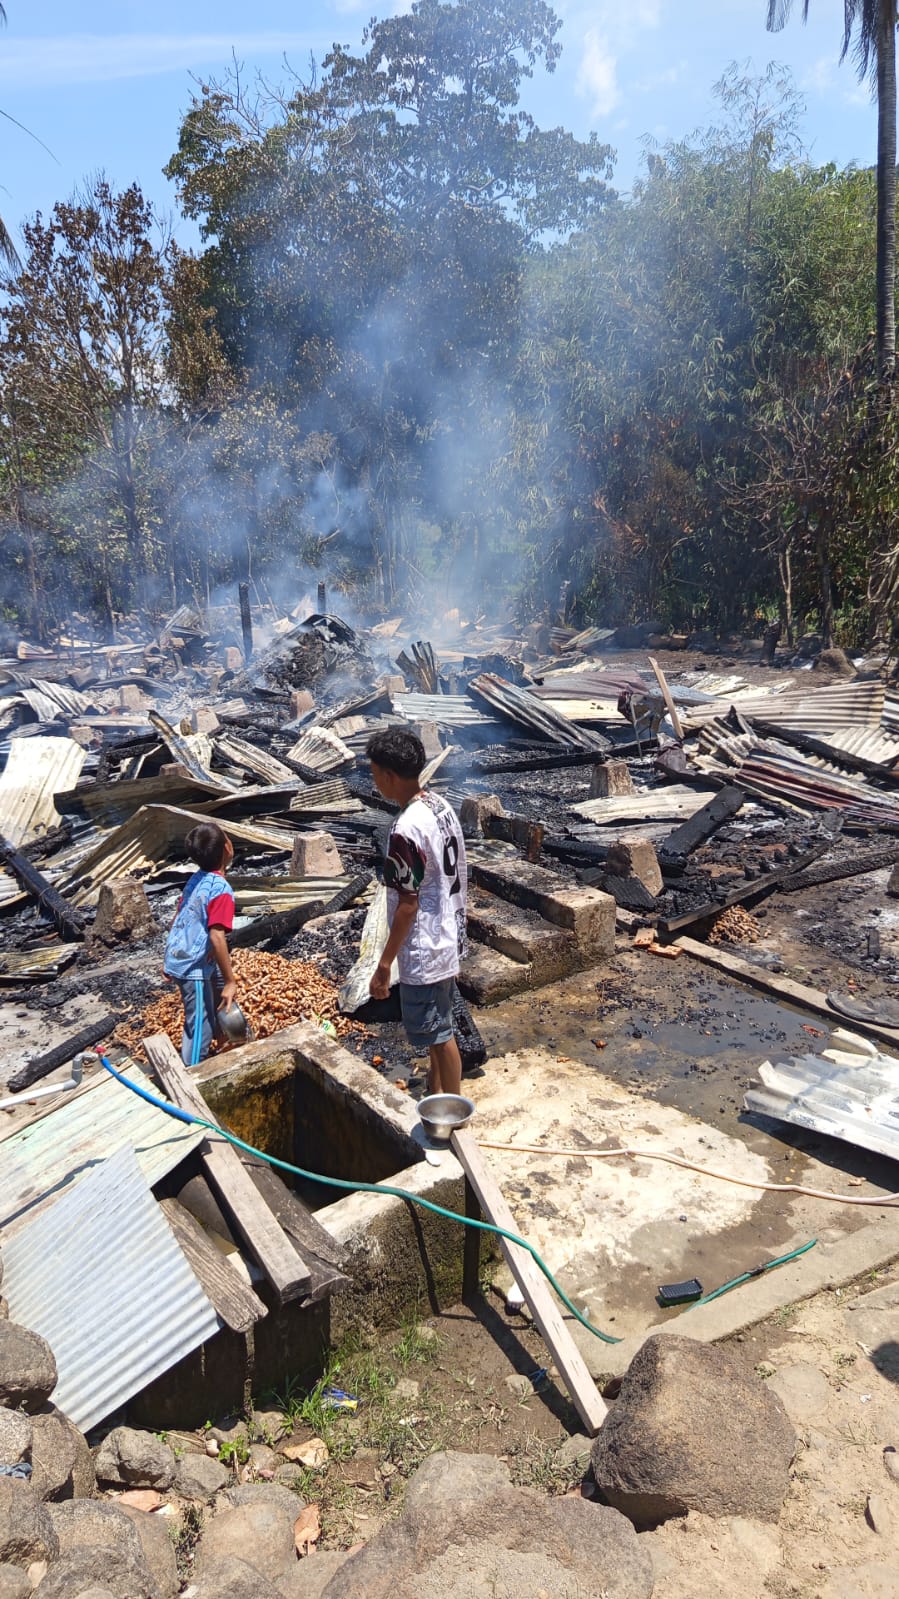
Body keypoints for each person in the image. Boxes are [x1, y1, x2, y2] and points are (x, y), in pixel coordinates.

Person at [367, 728, 468, 1096]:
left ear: (389, 776)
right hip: (448, 930)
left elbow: (407, 905)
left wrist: (384, 964)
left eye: (375, 772)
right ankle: (435, 1093)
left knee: (440, 1035)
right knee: (438, 1025)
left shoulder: (404, 830)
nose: (374, 780)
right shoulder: (439, 806)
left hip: (425, 946)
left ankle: (454, 1111)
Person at [164, 821, 237, 1067]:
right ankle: (193, 1071)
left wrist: (169, 954)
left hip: (182, 953)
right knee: (200, 1023)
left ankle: (227, 1035)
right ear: (228, 847)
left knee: (215, 987)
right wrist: (231, 981)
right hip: (191, 967)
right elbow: (217, 936)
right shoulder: (222, 891)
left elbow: (181, 913)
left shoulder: (197, 877)